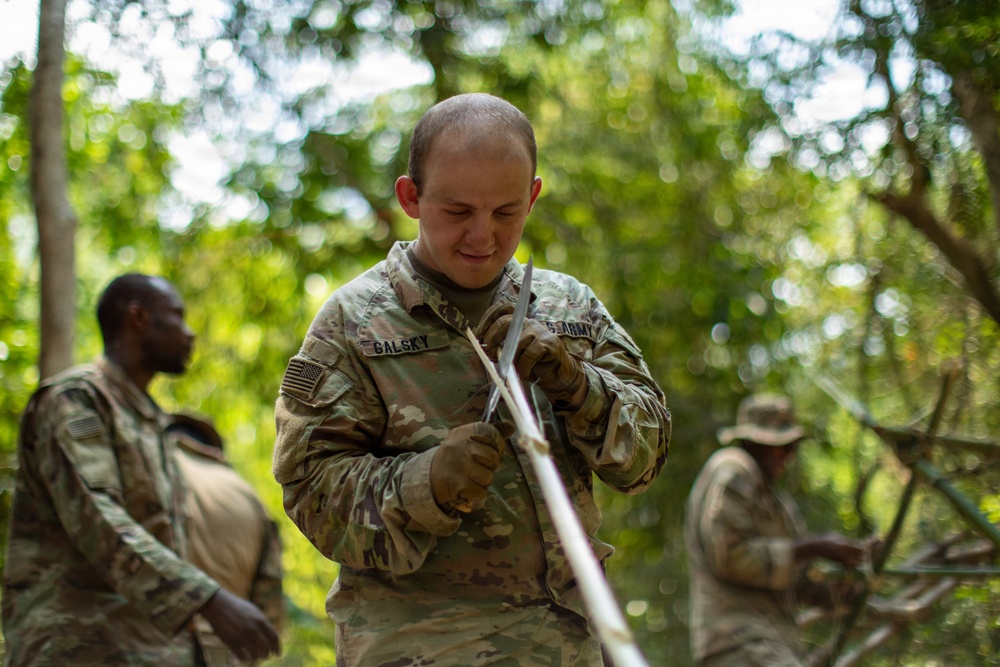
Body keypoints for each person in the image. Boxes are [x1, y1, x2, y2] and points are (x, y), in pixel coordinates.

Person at [273, 92, 670, 665]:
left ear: (532, 196)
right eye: (458, 212)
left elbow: (648, 452)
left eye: (506, 212)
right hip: (421, 649)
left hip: (569, 646)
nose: (482, 236)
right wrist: (426, 482)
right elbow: (309, 490)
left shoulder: (567, 306)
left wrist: (578, 387)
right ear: (411, 197)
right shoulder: (352, 322)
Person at [2, 273, 281, 666]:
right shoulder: (76, 399)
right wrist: (208, 598)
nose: (189, 334)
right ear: (138, 318)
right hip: (74, 646)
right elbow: (98, 517)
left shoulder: (153, 423)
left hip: (147, 650)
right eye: (177, 317)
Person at [684, 393, 875, 667]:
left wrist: (854, 576)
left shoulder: (778, 503)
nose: (787, 455)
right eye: (780, 446)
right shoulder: (732, 468)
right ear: (753, 442)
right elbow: (733, 558)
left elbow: (798, 582)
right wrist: (816, 547)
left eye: (792, 446)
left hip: (771, 642)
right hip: (739, 640)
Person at [167, 412, 285, 666]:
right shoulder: (248, 497)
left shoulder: (148, 469)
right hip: (221, 656)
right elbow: (268, 609)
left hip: (145, 646)